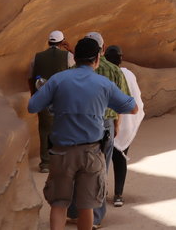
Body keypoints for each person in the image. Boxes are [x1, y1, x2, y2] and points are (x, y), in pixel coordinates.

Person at [27, 37, 136, 230]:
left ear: (75, 58)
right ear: (97, 59)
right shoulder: (103, 84)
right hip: (91, 152)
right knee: (88, 206)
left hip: (61, 152)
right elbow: (132, 108)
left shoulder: (58, 79)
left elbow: (33, 106)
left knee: (59, 204)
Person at [67, 31, 130, 227]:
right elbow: (124, 102)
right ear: (101, 49)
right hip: (105, 124)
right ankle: (95, 217)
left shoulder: (72, 70)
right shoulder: (113, 70)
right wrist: (117, 124)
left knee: (77, 167)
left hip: (78, 123)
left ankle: (75, 211)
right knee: (101, 170)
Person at [103, 45, 145, 208]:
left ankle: (102, 191)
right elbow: (136, 98)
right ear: (120, 58)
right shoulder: (127, 74)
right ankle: (118, 195)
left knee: (102, 161)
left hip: (105, 122)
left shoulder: (101, 72)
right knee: (120, 159)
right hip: (126, 122)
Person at [29, 30, 74, 173]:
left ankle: (45, 163)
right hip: (63, 98)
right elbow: (80, 68)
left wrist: (34, 95)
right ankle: (61, 161)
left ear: (49, 42)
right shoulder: (68, 56)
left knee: (44, 129)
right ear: (62, 42)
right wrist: (70, 49)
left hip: (43, 97)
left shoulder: (37, 57)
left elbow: (30, 78)